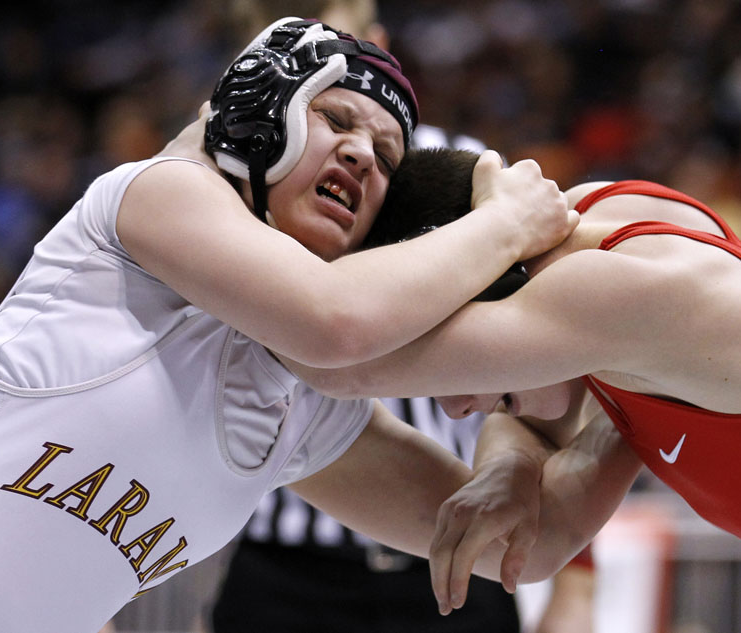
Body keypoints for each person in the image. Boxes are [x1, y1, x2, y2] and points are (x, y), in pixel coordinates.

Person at [0, 19, 580, 633]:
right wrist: (508, 223)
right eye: (336, 119)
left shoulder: (307, 409)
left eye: (385, 155)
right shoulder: (157, 194)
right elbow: (336, 320)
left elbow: (527, 546)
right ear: (262, 117)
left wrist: (557, 441)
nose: (361, 154)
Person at [287, 147, 741, 633]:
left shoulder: (631, 295)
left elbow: (337, 354)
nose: (455, 406)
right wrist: (514, 463)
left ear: (497, 288)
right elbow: (541, 509)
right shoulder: (601, 229)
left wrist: (210, 233)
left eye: (458, 369)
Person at [208, 5, 595, 633]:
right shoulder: (216, 188)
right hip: (289, 561)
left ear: (376, 45)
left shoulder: (469, 168)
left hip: (449, 548)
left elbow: (562, 365)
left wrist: (576, 578)